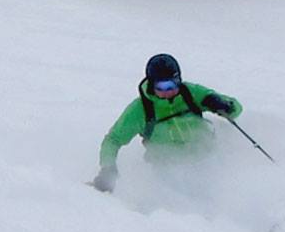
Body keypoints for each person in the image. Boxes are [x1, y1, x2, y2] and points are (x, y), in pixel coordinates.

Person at [92, 52, 241, 193]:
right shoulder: (140, 110)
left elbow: (237, 109)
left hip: (207, 161)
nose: (168, 91)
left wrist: (222, 105)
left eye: (173, 85)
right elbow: (113, 140)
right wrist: (108, 168)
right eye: (161, 87)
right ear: (151, 85)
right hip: (168, 172)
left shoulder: (191, 93)